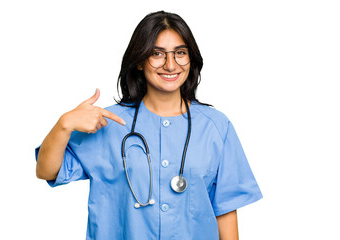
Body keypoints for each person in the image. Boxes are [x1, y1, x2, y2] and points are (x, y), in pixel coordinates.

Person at [35, 10, 262, 240]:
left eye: (180, 53)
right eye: (157, 54)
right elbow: (46, 171)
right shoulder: (107, 124)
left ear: (190, 58)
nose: (170, 65)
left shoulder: (216, 127)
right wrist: (64, 125)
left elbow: (225, 210)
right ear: (140, 61)